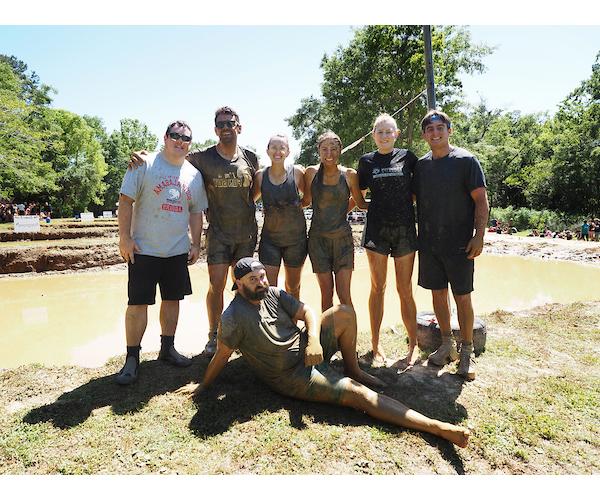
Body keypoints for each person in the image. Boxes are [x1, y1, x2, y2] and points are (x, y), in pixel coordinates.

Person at [176, 257, 470, 448]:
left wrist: (314, 340)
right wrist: (204, 386)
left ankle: (353, 366)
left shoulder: (274, 294)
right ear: (238, 285)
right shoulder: (233, 317)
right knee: (360, 396)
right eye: (254, 280)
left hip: (308, 349)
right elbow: (222, 355)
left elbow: (308, 312)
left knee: (343, 312)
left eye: (263, 276)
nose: (262, 282)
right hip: (290, 376)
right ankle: (440, 428)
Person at [131, 106, 258, 357]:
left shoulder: (251, 158)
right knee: (217, 285)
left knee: (246, 285)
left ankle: (247, 335)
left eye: (230, 123)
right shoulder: (201, 158)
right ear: (215, 129)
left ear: (239, 127)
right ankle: (215, 334)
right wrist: (144, 156)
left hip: (246, 233)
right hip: (219, 234)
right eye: (220, 124)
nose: (225, 128)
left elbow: (254, 192)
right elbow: (170, 157)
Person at [116, 120, 208, 385]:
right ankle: (132, 358)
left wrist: (195, 244)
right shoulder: (143, 164)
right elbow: (126, 201)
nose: (180, 141)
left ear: (190, 144)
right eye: (175, 136)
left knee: (172, 300)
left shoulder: (193, 174)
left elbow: (195, 211)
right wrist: (125, 237)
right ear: (165, 137)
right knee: (137, 303)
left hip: (176, 250)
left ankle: (167, 349)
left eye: (186, 138)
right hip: (143, 249)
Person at [413, 110, 489, 381]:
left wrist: (479, 235)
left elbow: (481, 200)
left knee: (463, 297)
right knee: (436, 295)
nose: (435, 133)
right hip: (430, 242)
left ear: (449, 130)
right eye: (430, 129)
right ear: (424, 135)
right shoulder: (421, 166)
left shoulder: (466, 161)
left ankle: (466, 351)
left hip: (460, 243)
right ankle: (446, 343)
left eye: (439, 127)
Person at [357, 113, 419, 366]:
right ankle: (375, 344)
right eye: (380, 132)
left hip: (404, 229)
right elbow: (359, 197)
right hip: (376, 232)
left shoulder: (409, 158)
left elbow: (416, 193)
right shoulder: (366, 161)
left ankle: (413, 344)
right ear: (373, 135)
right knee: (377, 288)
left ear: (397, 134)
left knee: (404, 289)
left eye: (389, 131)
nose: (384, 135)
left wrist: (400, 207)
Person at [303, 131, 368, 312]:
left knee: (344, 294)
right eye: (324, 149)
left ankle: (349, 338)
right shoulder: (311, 173)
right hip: (317, 241)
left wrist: (387, 201)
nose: (329, 153)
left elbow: (360, 203)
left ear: (340, 150)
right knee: (326, 294)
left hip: (343, 242)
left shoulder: (349, 175)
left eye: (333, 148)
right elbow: (306, 202)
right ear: (318, 150)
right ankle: (327, 338)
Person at [252, 134, 307, 299]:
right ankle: (273, 323)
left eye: (282, 147)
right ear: (267, 151)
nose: (278, 151)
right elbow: (250, 201)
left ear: (288, 151)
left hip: (296, 241)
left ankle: (293, 323)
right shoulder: (261, 176)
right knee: (269, 288)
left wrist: (290, 208)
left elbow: (308, 199)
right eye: (274, 147)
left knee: (293, 286)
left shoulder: (297, 173)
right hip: (270, 241)